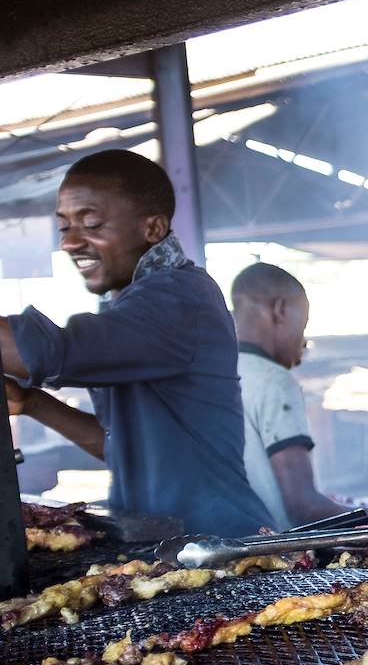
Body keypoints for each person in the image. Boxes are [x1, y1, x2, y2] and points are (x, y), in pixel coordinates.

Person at [2, 150, 271, 536]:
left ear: (154, 229)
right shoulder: (132, 305)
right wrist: (32, 403)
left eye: (91, 222)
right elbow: (121, 449)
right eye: (64, 227)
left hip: (218, 546)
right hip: (159, 544)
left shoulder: (179, 299)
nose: (70, 243)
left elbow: (49, 350)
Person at [231, 262, 368, 530]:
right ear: (280, 310)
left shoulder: (218, 372)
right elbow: (303, 506)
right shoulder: (274, 381)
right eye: (303, 325)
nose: (303, 342)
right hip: (274, 554)